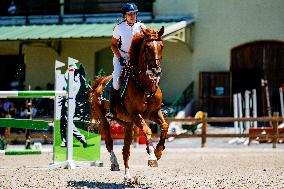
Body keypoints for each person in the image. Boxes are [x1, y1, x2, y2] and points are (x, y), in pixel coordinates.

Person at [106, 3, 146, 118]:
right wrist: (120, 58)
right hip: (121, 56)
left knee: (151, 75)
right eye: (130, 14)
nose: (132, 16)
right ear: (125, 16)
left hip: (136, 58)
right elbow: (113, 45)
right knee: (117, 81)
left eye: (134, 14)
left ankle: (157, 105)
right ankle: (112, 109)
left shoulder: (142, 27)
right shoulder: (119, 27)